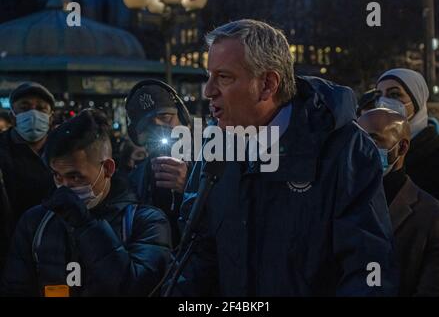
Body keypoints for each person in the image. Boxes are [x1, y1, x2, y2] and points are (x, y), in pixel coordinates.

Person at [173, 19, 398, 296]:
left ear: (267, 84)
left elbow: (368, 268)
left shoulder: (343, 149)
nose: (208, 91)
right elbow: (198, 256)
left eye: (224, 77)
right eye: (208, 76)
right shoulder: (215, 145)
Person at [0, 109, 172, 297]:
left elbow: (140, 288)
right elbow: (16, 289)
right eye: (57, 176)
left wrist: (86, 226)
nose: (65, 187)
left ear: (107, 168)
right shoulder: (36, 222)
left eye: (75, 176)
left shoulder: (145, 222)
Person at [358, 108, 439, 296]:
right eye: (357, 139)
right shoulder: (341, 203)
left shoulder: (435, 219)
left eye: (373, 140)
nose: (361, 148)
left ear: (402, 147)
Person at [126, 79, 192, 247]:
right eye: (148, 126)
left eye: (166, 118)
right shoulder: (135, 179)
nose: (160, 128)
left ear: (183, 118)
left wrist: (191, 186)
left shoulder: (212, 163)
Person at [0, 82, 55, 272]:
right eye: (24, 107)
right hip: (9, 250)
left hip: (56, 249)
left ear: (50, 117)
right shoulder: (2, 148)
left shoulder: (65, 149)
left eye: (40, 108)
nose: (33, 114)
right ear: (13, 117)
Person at [376, 68, 439, 206]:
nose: (383, 102)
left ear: (417, 100)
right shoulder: (376, 154)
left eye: (394, 94)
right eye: (378, 95)